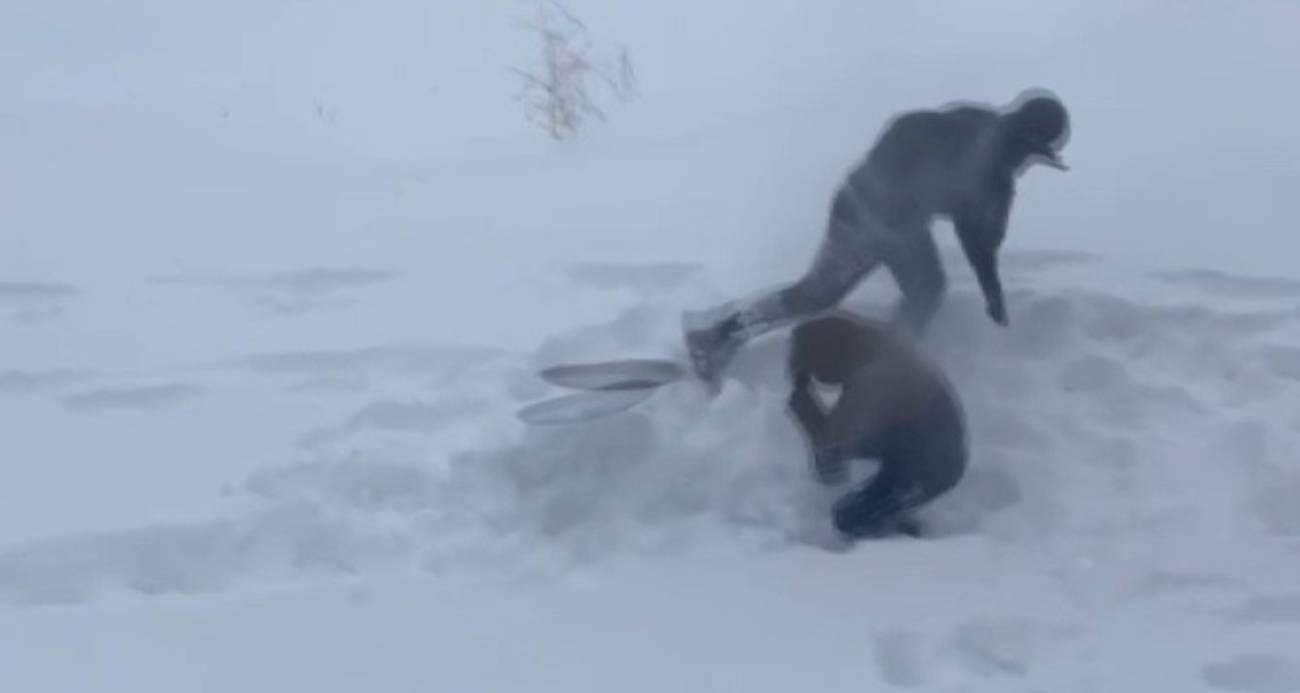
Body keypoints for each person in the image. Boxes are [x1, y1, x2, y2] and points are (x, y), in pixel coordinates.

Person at [685, 89, 1071, 386]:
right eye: (1032, 151)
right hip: (863, 210)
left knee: (927, 289)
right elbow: (903, 131)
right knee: (817, 295)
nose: (1028, 161)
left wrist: (992, 290)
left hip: (902, 229)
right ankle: (717, 337)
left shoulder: (996, 179)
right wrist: (894, 187)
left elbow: (976, 234)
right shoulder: (968, 129)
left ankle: (883, 372)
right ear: (1021, 134)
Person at [785, 311, 967, 541]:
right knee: (844, 444)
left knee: (849, 519)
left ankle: (904, 545)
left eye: (815, 369)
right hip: (911, 440)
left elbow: (831, 450)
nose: (816, 378)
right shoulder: (872, 349)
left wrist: (806, 409)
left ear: (828, 356)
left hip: (934, 465)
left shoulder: (873, 377)